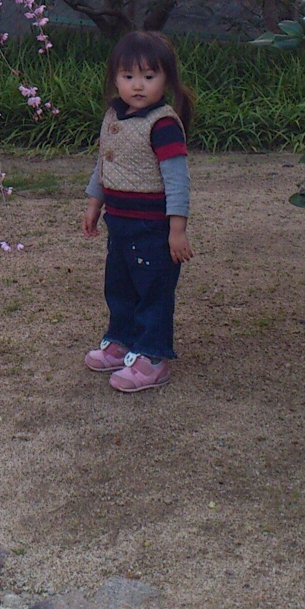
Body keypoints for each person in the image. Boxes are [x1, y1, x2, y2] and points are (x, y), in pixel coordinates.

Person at [82, 30, 193, 392]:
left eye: (149, 76)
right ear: (115, 78)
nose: (138, 85)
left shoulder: (162, 124)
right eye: (128, 76)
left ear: (166, 79)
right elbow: (104, 164)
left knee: (152, 290)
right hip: (119, 223)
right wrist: (94, 203)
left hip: (151, 228)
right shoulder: (114, 115)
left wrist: (177, 229)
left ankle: (152, 356)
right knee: (120, 285)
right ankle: (122, 340)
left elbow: (177, 180)